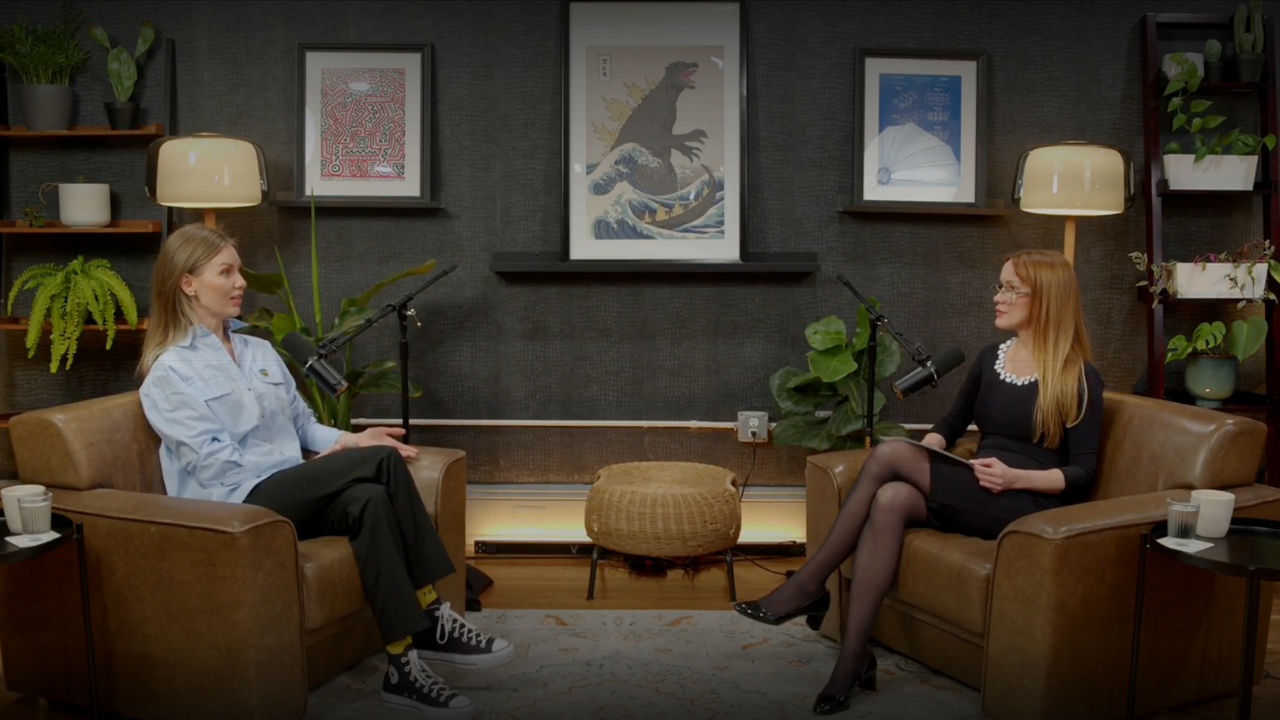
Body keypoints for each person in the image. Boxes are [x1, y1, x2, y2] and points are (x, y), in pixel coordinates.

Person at [137, 223, 510, 719]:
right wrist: (320, 470)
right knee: (380, 463)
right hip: (234, 506)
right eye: (225, 272)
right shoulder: (169, 372)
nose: (240, 282)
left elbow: (302, 424)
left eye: (239, 271)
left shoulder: (259, 350)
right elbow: (213, 465)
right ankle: (433, 612)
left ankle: (403, 668)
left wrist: (350, 442)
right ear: (188, 283)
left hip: (286, 490)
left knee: (369, 500)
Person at [734, 249, 1104, 715]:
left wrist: (1016, 477)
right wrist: (929, 449)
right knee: (890, 497)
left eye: (1012, 289)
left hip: (1024, 503)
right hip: (976, 488)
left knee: (891, 452)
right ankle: (853, 659)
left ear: (1046, 298)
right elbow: (949, 426)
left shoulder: (1078, 376)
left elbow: (1082, 475)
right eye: (1000, 286)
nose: (998, 297)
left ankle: (809, 584)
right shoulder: (991, 359)